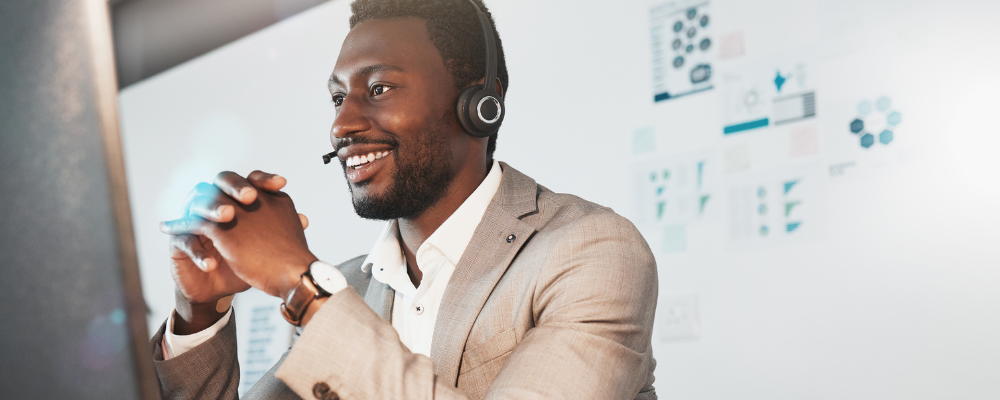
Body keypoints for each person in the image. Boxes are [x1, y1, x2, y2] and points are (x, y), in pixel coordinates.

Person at [150, 0, 659, 398]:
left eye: (379, 88)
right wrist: (201, 312)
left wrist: (297, 280)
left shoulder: (591, 251)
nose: (341, 124)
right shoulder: (346, 287)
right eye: (337, 97)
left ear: (481, 105)